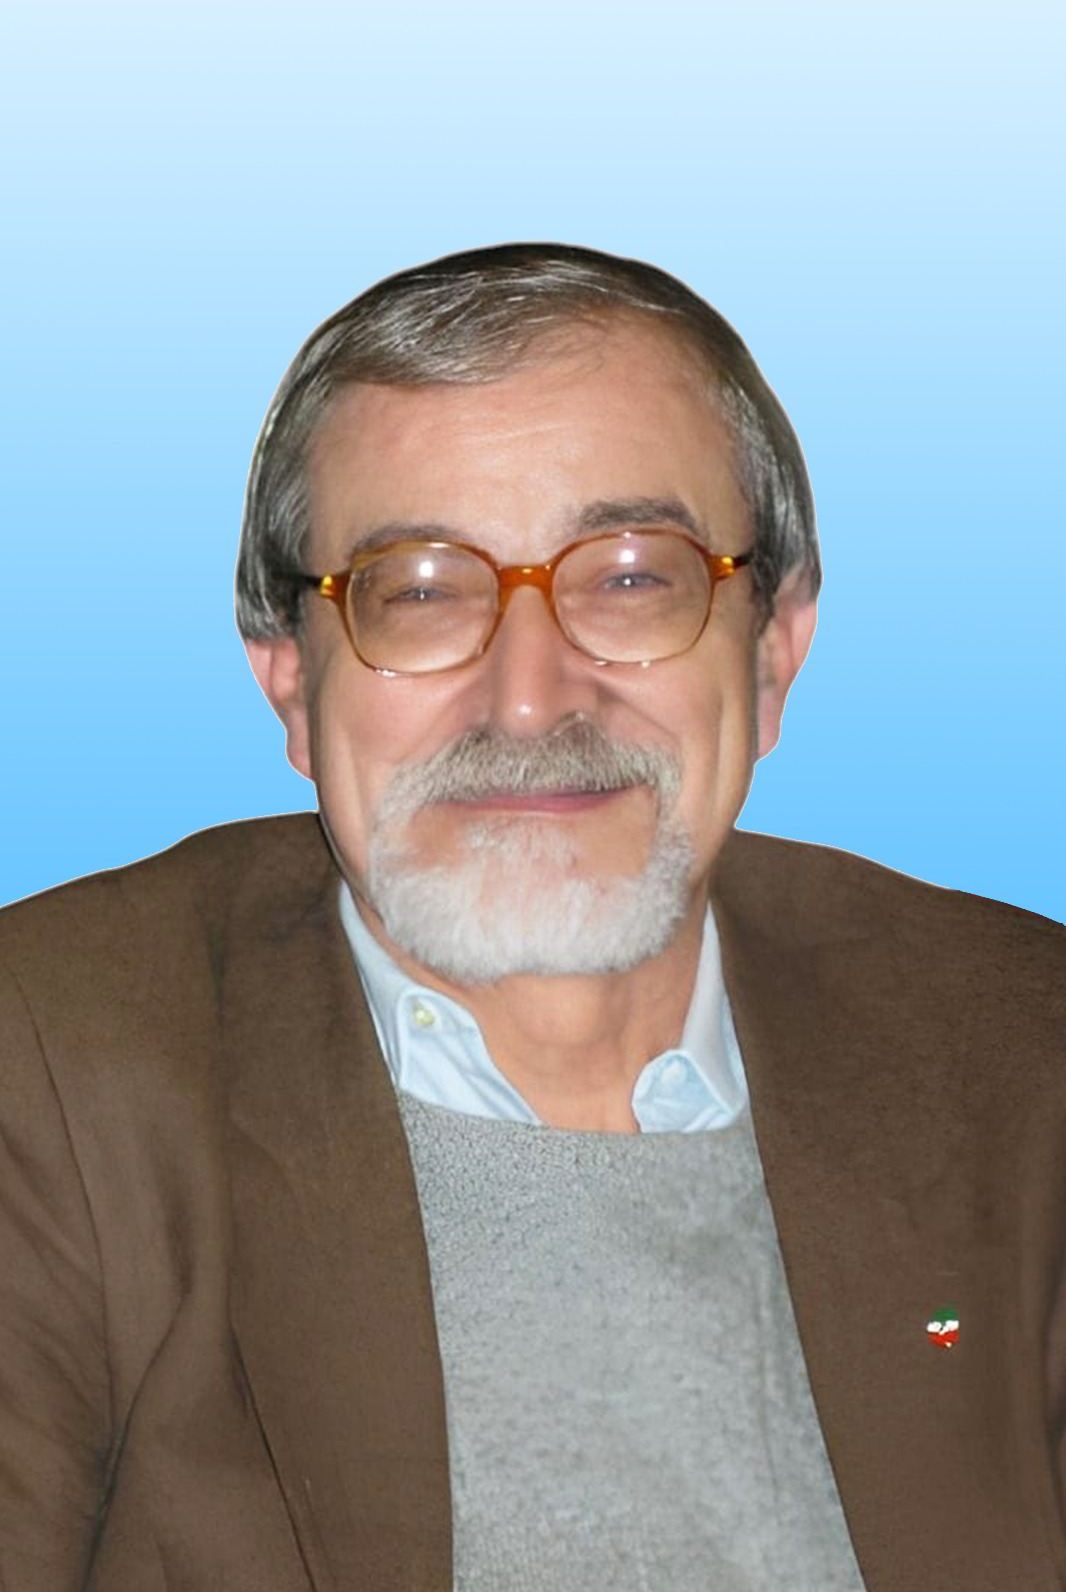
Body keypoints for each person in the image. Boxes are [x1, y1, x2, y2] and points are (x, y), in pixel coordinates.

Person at [1, 243, 1063, 1592]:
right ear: (288, 680)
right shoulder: (50, 1058)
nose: (528, 699)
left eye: (629, 576)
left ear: (774, 650)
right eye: (418, 591)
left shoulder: (1021, 1046)